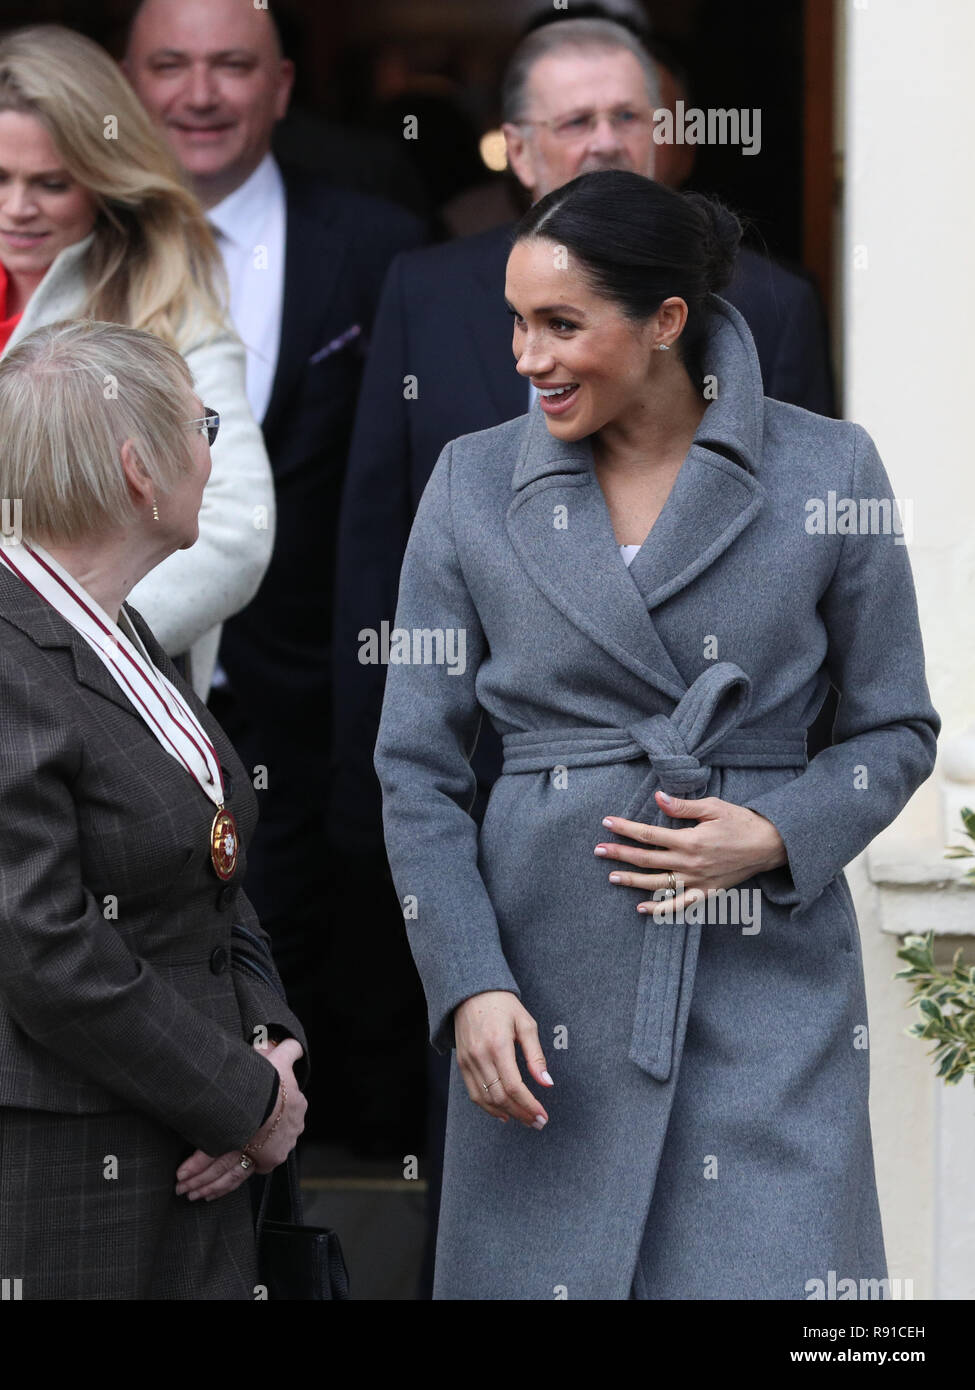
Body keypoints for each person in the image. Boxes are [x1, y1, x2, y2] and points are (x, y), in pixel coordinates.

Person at [373, 169, 939, 1299]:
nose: (526, 356)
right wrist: (468, 982)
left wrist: (774, 831)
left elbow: (894, 726)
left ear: (664, 323)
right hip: (540, 1001)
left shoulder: (828, 468)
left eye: (561, 325)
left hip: (766, 989)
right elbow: (415, 772)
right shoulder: (470, 482)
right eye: (516, 323)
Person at [0, 318, 308, 1299]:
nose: (214, 451)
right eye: (200, 425)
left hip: (182, 1145)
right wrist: (245, 1099)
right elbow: (47, 947)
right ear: (138, 470)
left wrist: (269, 1053)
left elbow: (210, 877)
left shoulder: (114, 629)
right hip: (41, 1176)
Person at [0, 24, 273, 1037]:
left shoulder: (165, 294)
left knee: (59, 987)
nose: (17, 207)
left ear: (104, 176)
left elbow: (238, 529)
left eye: (53, 182)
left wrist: (49, 647)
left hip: (84, 720)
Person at [123, 0, 427, 1148]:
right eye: (171, 65)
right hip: (113, 698)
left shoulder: (377, 242)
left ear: (284, 86)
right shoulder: (70, 241)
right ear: (128, 80)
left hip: (315, 700)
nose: (200, 93)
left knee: (321, 1013)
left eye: (231, 66)